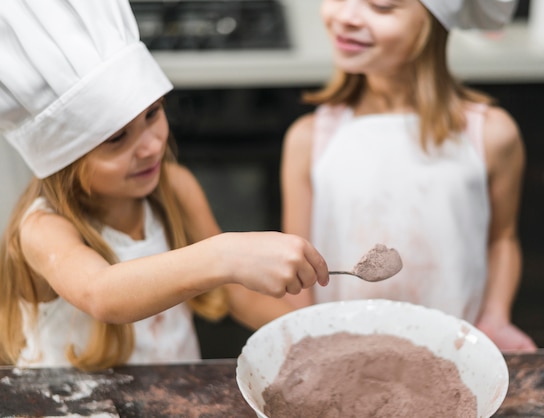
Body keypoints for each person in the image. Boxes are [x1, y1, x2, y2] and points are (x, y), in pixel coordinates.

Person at [0, 0, 328, 371]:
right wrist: (227, 254)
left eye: (153, 114)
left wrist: (317, 339)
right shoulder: (44, 228)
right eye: (118, 138)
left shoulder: (175, 188)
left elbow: (238, 296)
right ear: (64, 162)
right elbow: (101, 293)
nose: (153, 145)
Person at [281, 0, 536, 352]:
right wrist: (301, 336)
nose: (345, 16)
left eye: (381, 6)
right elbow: (299, 266)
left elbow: (502, 240)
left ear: (433, 24)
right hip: (344, 356)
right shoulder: (309, 139)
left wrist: (495, 317)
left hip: (452, 352)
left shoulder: (490, 135)